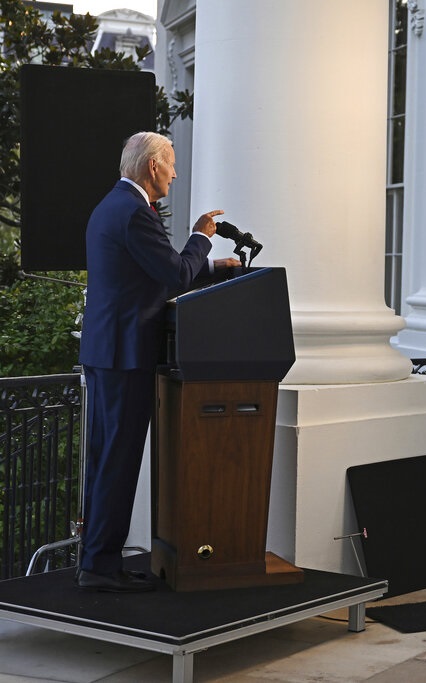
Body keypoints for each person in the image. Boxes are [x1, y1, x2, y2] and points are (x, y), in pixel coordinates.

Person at [77, 132, 240, 592]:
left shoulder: (111, 206)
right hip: (125, 354)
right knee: (118, 460)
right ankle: (100, 567)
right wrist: (201, 238)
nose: (175, 173)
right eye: (171, 164)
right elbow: (174, 273)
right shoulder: (135, 212)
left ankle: (97, 559)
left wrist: (213, 268)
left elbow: (150, 271)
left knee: (106, 458)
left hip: (108, 350)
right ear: (153, 167)